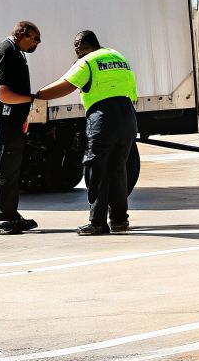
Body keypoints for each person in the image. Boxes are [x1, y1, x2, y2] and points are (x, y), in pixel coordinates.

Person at [35, 30, 137, 235]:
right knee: (118, 169)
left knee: (96, 170)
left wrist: (37, 96)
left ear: (84, 44)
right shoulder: (117, 56)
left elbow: (66, 86)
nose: (75, 48)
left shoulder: (87, 62)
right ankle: (119, 220)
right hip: (127, 116)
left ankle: (97, 222)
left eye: (76, 44)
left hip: (104, 117)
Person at [0, 21, 42, 235]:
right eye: (35, 38)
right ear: (22, 34)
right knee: (5, 168)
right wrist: (31, 98)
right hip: (2, 119)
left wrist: (23, 114)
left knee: (5, 168)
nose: (37, 43)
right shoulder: (7, 51)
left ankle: (1, 215)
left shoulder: (15, 52)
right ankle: (4, 217)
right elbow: (3, 93)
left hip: (9, 119)